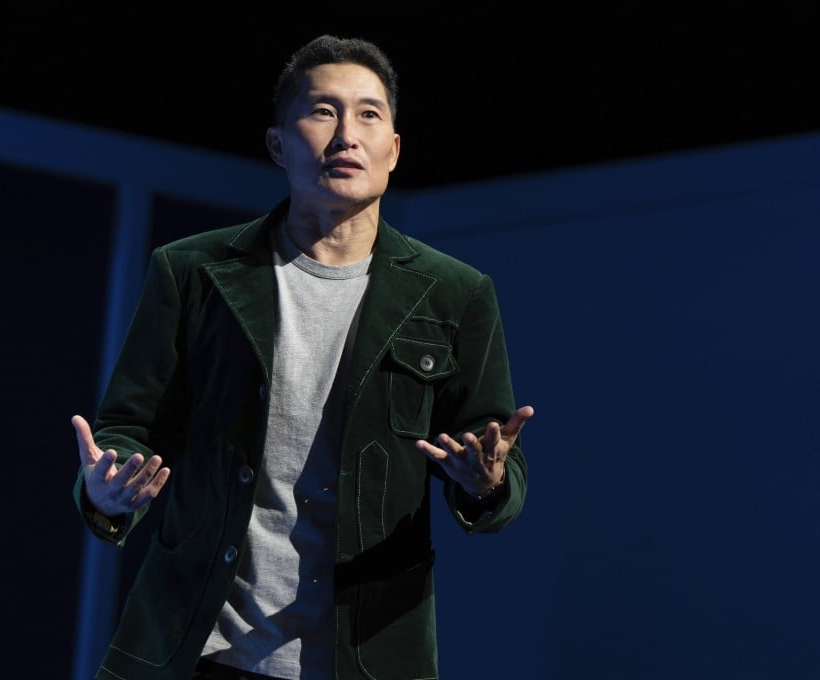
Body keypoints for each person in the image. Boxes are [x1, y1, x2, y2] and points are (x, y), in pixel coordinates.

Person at [71, 33, 534, 680]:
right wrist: (108, 487)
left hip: (365, 659)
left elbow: (499, 469)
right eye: (323, 111)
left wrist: (486, 486)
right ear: (277, 145)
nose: (348, 133)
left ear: (393, 150)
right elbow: (129, 427)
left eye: (370, 114)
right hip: (198, 651)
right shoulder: (194, 272)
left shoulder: (456, 294)